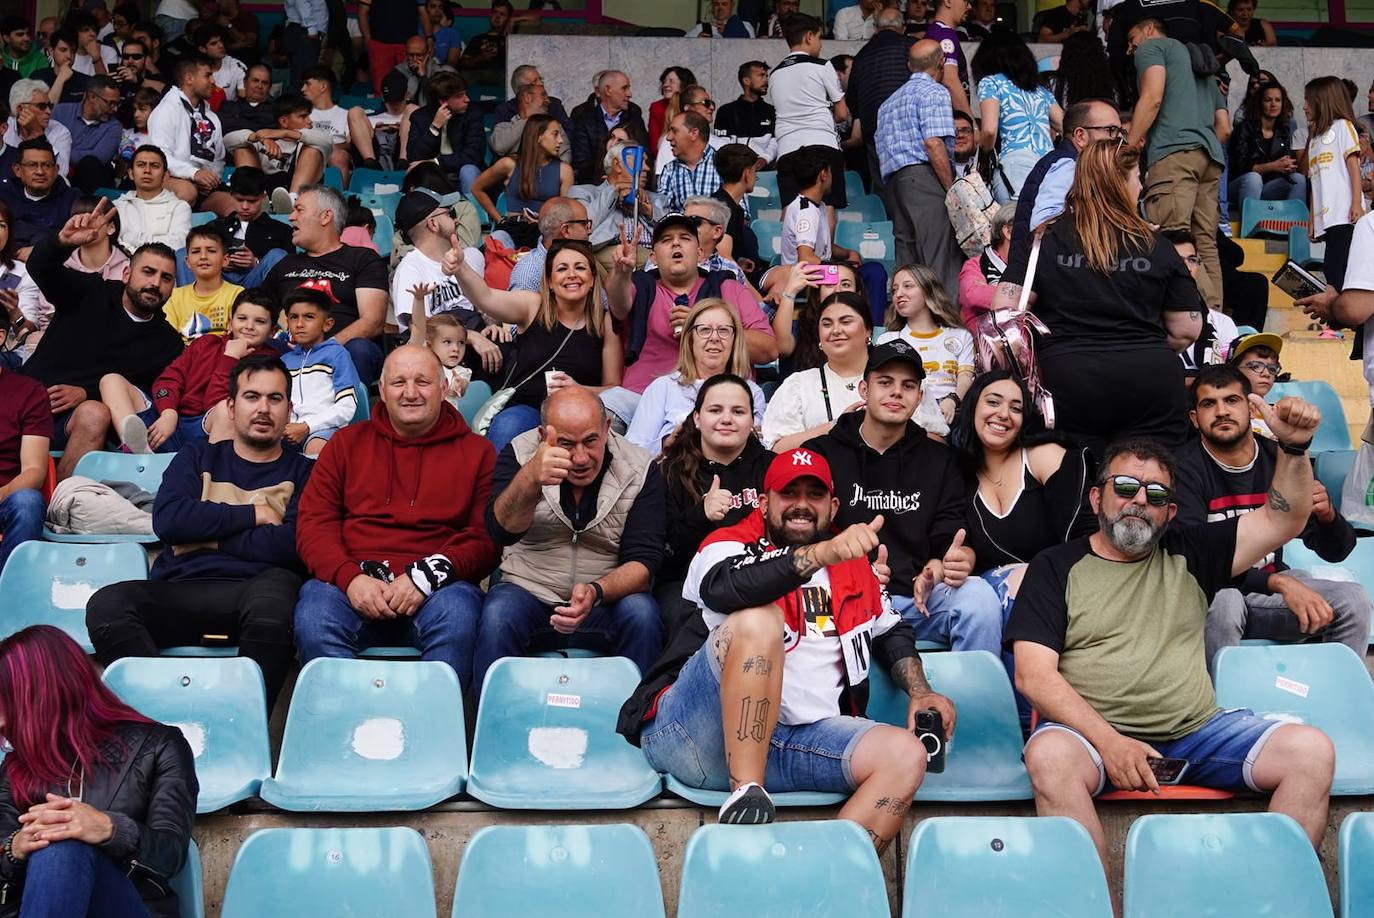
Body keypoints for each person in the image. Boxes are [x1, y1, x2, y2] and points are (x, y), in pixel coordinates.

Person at [1009, 417, 1336, 870]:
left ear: (1171, 511)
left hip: (1196, 733)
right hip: (1089, 737)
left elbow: (1284, 517)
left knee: (1311, 753)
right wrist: (1110, 742)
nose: (1139, 501)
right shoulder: (1055, 566)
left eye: (1156, 494)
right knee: (1046, 755)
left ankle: (1260, 897)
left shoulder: (1192, 550)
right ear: (1096, 497)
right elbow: (1033, 674)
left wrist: (1294, 450)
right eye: (1124, 487)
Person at [620, 445, 955, 838]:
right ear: (763, 503)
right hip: (697, 735)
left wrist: (920, 690)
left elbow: (890, 630)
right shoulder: (727, 543)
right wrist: (819, 554)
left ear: (833, 506)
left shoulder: (853, 567)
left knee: (907, 756)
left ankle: (824, 882)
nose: (801, 505)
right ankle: (747, 791)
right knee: (760, 620)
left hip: (796, 742)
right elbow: (725, 588)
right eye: (788, 493)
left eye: (814, 495)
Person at [88, 354, 312, 708]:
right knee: (108, 605)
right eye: (252, 397)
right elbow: (170, 521)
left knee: (277, 600)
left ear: (290, 409)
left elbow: (292, 544)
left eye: (275, 398)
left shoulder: (305, 472)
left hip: (258, 595)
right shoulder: (197, 456)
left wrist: (205, 537)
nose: (263, 409)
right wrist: (255, 514)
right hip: (180, 590)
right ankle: (161, 714)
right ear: (231, 406)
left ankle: (240, 727)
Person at [295, 344, 498, 693]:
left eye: (423, 381)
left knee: (461, 615)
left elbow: (485, 537)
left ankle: (430, 730)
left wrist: (424, 579)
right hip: (351, 586)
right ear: (383, 390)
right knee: (314, 613)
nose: (410, 393)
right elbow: (314, 525)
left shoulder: (478, 452)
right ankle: (342, 727)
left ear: (444, 387)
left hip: (438, 593)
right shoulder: (345, 444)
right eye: (398, 382)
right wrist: (350, 578)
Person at [995, 141, 1200, 455]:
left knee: (1073, 482)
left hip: (1068, 382)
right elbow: (1187, 328)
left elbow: (1004, 311)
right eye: (1137, 178)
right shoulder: (1157, 245)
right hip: (1150, 382)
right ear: (1118, 184)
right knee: (1147, 483)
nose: (1141, 187)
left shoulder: (1045, 239)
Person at [1173, 365, 1370, 676]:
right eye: (1209, 404)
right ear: (1195, 419)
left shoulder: (1280, 458)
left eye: (1232, 400)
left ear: (1252, 408)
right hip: (1210, 597)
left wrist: (1327, 515)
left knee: (1353, 599)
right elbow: (1192, 561)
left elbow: (1337, 551)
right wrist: (1277, 581)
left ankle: (1335, 696)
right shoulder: (1182, 469)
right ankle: (1217, 712)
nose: (1222, 411)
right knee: (1224, 601)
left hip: (1269, 597)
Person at [807, 338, 1002, 650]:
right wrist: (851, 574)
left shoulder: (939, 460)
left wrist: (938, 569)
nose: (896, 392)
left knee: (978, 598)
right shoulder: (822, 454)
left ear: (919, 397)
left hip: (915, 599)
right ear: (863, 390)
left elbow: (950, 535)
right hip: (839, 597)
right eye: (885, 382)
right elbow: (799, 539)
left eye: (908, 385)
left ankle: (969, 698)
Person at [0, 625, 197, 916]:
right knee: (57, 838)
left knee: (62, 843)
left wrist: (109, 829)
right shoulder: (15, 767)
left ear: (40, 695)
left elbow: (170, 854)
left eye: (4, 702)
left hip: (126, 905)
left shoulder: (160, 746)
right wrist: (15, 847)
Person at [476, 385, 665, 683]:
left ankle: (637, 722)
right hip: (529, 591)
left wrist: (595, 592)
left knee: (642, 614)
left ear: (606, 428)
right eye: (565, 443)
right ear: (543, 435)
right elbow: (500, 531)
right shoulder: (519, 452)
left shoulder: (640, 468)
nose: (580, 457)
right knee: (499, 613)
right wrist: (529, 478)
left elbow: (643, 564)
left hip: (604, 599)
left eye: (591, 441)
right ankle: (494, 722)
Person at [954, 370, 1094, 704]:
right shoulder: (957, 473)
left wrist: (1041, 571)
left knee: (1025, 592)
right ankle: (988, 713)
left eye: (1016, 407)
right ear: (972, 407)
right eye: (993, 402)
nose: (1004, 413)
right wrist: (964, 558)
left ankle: (1020, 718)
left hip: (1058, 583)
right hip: (991, 590)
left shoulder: (1041, 456)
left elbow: (1087, 532)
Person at [21, 200, 182, 480]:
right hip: (30, 401)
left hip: (80, 424)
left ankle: (62, 507)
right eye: (148, 272)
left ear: (172, 287)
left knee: (95, 412)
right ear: (127, 273)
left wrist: (86, 393)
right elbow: (40, 267)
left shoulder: (168, 343)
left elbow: (139, 398)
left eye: (166, 277)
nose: (155, 283)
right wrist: (62, 241)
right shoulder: (90, 290)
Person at [443, 237, 623, 453]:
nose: (572, 275)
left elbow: (613, 388)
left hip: (577, 414)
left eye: (580, 268)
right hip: (528, 409)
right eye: (562, 269)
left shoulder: (604, 322)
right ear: (549, 281)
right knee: (508, 426)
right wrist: (460, 267)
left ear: (592, 279)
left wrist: (579, 389)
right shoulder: (533, 305)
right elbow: (485, 297)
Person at [605, 214, 777, 418]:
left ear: (700, 253)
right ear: (653, 257)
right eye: (666, 240)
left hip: (717, 400)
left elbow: (768, 350)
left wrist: (700, 325)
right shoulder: (640, 286)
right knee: (603, 407)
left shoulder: (728, 287)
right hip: (643, 399)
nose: (676, 242)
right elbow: (618, 304)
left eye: (685, 238)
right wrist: (622, 273)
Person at [655, 373, 773, 632]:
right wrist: (701, 515)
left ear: (753, 419)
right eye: (715, 410)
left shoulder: (773, 468)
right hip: (686, 583)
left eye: (739, 411)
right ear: (697, 418)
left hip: (761, 577)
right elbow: (661, 556)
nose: (727, 419)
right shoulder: (669, 472)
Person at [1123, 18, 1226, 312]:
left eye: (1133, 39)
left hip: (1173, 155)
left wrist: (1128, 147)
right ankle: (1215, 323)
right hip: (1209, 156)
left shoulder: (1154, 47)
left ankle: (1188, 317)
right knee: (1206, 242)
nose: (1131, 49)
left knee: (1171, 237)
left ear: (1150, 30)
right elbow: (1224, 126)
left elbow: (1152, 97)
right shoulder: (1200, 61)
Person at [108, 287, 281, 454]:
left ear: (272, 331)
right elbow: (168, 380)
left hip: (207, 433)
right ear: (230, 322)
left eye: (259, 321)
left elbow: (214, 404)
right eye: (242, 318)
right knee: (111, 380)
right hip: (167, 423)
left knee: (224, 411)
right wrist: (169, 413)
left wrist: (230, 358)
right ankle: (137, 453)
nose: (249, 326)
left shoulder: (267, 364)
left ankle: (209, 474)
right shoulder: (206, 343)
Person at [266, 184, 389, 385]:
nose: (291, 217)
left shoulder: (363, 259)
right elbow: (260, 311)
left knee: (359, 348)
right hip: (293, 349)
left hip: (346, 350)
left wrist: (323, 350)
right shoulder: (285, 264)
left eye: (299, 209)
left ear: (325, 217)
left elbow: (372, 321)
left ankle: (353, 414)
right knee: (258, 347)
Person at [876, 39, 963, 296]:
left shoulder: (888, 103)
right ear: (941, 62)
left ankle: (905, 326)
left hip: (894, 184)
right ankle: (945, 324)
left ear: (909, 65)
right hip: (924, 178)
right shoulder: (934, 92)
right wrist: (951, 188)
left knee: (907, 260)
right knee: (939, 256)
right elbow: (934, 144)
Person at [628, 298, 767, 458]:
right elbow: (631, 451)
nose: (714, 338)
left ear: (735, 340)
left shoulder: (751, 392)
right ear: (690, 338)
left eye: (723, 330)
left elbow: (758, 449)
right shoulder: (663, 387)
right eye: (705, 330)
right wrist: (667, 444)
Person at [1009, 98, 1122, 262]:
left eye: (1120, 132)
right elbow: (1044, 229)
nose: (1118, 139)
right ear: (1080, 136)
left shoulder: (1067, 164)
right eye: (1110, 130)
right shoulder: (1068, 166)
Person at [763, 291, 872, 451]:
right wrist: (836, 426)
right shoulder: (799, 384)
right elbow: (777, 450)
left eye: (846, 322)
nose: (835, 330)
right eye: (827, 324)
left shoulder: (891, 382)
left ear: (868, 330)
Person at [877, 263, 974, 431]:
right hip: (906, 412)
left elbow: (966, 376)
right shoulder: (888, 340)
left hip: (952, 411)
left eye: (908, 286)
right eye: (894, 290)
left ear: (928, 290)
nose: (899, 294)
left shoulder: (960, 336)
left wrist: (953, 400)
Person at [972, 32, 1064, 202]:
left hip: (1015, 165)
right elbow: (1066, 126)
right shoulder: (1040, 89)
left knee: (1013, 224)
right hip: (1050, 166)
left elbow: (990, 131)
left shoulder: (990, 83)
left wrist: (983, 160)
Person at [771, 14, 849, 215]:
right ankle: (825, 248)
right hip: (821, 143)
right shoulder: (822, 65)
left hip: (787, 148)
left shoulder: (774, 73)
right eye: (819, 37)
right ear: (808, 37)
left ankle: (788, 248)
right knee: (826, 205)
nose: (820, 44)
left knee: (790, 209)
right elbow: (842, 113)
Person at [390, 190, 490, 345]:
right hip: (439, 351)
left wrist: (493, 327)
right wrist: (471, 337)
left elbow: (485, 307)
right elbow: (420, 329)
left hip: (474, 338)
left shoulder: (469, 257)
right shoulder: (410, 269)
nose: (456, 220)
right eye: (450, 213)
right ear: (433, 224)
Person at [279, 284, 361, 456]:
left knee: (316, 448)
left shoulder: (337, 354)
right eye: (294, 317)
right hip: (288, 430)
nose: (299, 324)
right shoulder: (284, 361)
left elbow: (346, 406)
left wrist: (307, 426)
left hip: (326, 430)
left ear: (327, 324)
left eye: (309, 317)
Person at [1305, 75, 1364, 294]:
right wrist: (1312, 218)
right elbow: (1314, 181)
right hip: (1326, 220)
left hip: (1345, 214)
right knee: (1332, 268)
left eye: (1308, 101)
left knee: (1338, 271)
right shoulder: (1314, 138)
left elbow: (1353, 167)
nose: (1304, 107)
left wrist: (1356, 203)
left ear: (1323, 101)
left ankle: (1341, 321)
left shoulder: (1343, 127)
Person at [147, 53, 228, 211]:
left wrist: (211, 180)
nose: (213, 81)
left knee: (233, 205)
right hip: (167, 179)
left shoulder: (211, 116)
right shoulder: (166, 110)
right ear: (189, 78)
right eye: (208, 75)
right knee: (187, 192)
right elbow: (159, 158)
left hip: (201, 185)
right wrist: (194, 173)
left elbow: (218, 159)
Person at [0, 310, 49, 572]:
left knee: (28, 502)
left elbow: (34, 471)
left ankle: (9, 595)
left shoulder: (28, 392)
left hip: (4, 499)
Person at [189, 166, 293, 289]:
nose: (244, 206)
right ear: (231, 195)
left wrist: (256, 262)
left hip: (257, 285)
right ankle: (189, 303)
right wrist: (218, 262)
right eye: (239, 200)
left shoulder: (281, 230)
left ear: (263, 197)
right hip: (219, 282)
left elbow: (290, 267)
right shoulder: (215, 227)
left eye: (251, 201)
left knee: (277, 255)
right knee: (185, 254)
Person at [470, 114, 573, 230]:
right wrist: (500, 220)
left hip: (546, 231)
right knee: (498, 240)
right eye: (555, 134)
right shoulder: (509, 164)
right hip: (513, 228)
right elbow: (476, 188)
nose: (561, 140)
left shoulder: (564, 170)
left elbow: (565, 213)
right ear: (538, 137)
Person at [224, 94, 332, 199]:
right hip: (264, 192)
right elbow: (228, 140)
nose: (309, 121)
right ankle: (253, 198)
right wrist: (258, 137)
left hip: (301, 197)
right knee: (243, 147)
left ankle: (293, 200)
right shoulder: (265, 141)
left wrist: (284, 133)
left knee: (312, 149)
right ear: (284, 121)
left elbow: (327, 141)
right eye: (303, 116)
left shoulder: (312, 141)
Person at [1227, 80, 1304, 214]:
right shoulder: (1244, 128)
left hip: (1268, 187)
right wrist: (1272, 166)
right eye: (1268, 100)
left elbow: (1285, 164)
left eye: (1277, 100)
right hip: (1242, 186)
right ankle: (1250, 227)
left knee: (1298, 179)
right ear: (1260, 103)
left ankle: (1293, 226)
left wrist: (1287, 166)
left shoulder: (1284, 131)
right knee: (1253, 178)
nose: (1273, 104)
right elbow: (1239, 167)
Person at [405, 71, 485, 195]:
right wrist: (434, 127)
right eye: (460, 96)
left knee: (468, 170)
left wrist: (436, 162)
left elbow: (474, 155)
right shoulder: (420, 117)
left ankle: (474, 212)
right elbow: (414, 156)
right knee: (422, 173)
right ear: (443, 101)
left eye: (466, 94)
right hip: (434, 175)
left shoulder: (473, 114)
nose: (467, 99)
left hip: (461, 171)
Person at [161, 224, 244, 340]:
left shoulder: (237, 295)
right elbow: (168, 339)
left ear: (225, 260)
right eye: (196, 252)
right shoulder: (175, 297)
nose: (203, 256)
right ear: (187, 262)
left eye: (211, 251)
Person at [0, 139, 79, 258]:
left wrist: (41, 251)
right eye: (32, 165)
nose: (40, 172)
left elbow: (80, 242)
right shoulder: (4, 196)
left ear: (56, 170)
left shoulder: (73, 199)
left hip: (54, 266)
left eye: (47, 165)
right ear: (17, 170)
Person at [112, 145, 193, 255]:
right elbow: (110, 243)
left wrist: (131, 239)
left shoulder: (179, 207)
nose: (147, 171)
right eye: (141, 165)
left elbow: (178, 244)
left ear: (165, 175)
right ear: (131, 173)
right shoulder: (116, 207)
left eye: (154, 166)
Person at [570, 71, 645, 186]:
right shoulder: (584, 118)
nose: (629, 94)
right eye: (624, 88)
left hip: (629, 184)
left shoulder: (634, 115)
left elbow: (644, 153)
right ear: (608, 90)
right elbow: (581, 162)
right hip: (593, 187)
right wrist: (608, 182)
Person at [52, 76, 123, 195]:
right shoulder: (60, 112)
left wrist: (62, 151)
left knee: (90, 164)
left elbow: (99, 157)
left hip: (89, 181)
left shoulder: (114, 126)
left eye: (117, 104)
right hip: (55, 173)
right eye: (110, 103)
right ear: (92, 96)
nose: (115, 109)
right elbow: (47, 145)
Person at [508, 196, 594, 294]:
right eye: (585, 224)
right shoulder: (529, 275)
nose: (589, 230)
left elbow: (603, 304)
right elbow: (521, 308)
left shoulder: (585, 260)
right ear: (566, 230)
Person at [489, 67, 573, 162]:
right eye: (534, 82)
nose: (541, 83)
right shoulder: (505, 114)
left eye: (540, 79)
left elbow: (565, 152)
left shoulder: (554, 108)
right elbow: (499, 147)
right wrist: (527, 120)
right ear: (526, 96)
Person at [958, 201, 1016, 331]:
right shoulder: (976, 265)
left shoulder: (1035, 265)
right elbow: (973, 296)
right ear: (1008, 232)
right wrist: (1025, 297)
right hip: (987, 345)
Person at [710, 144, 761, 273]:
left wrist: (738, 262)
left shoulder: (727, 204)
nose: (755, 178)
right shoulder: (724, 207)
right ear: (747, 174)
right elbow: (723, 258)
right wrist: (754, 294)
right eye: (755, 172)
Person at [658, 112, 722, 215]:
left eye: (674, 131)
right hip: (682, 229)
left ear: (694, 133)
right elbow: (662, 213)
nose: (668, 137)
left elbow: (741, 214)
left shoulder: (723, 164)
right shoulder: (669, 170)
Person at [715, 62, 777, 168]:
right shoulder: (725, 111)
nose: (766, 80)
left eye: (767, 76)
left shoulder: (772, 111)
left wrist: (765, 158)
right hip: (734, 172)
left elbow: (776, 140)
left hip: (767, 172)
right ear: (746, 81)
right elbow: (721, 143)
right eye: (761, 76)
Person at [358, 0, 422, 94]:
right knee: (380, 87)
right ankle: (382, 108)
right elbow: (362, 12)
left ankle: (411, 108)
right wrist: (367, 37)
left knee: (410, 86)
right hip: (380, 43)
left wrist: (429, 37)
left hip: (407, 44)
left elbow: (422, 11)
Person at [923, 0, 972, 117]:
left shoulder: (935, 31)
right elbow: (950, 81)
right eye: (965, 1)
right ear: (948, 1)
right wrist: (972, 125)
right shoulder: (945, 33)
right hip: (949, 118)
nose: (969, 7)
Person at [388, 35, 446, 109]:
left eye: (419, 55)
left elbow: (437, 102)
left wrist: (423, 76)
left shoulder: (438, 71)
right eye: (411, 55)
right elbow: (394, 103)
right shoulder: (398, 72)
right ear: (406, 53)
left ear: (428, 53)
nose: (415, 59)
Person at [218, 62, 276, 136]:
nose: (259, 86)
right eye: (255, 80)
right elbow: (224, 127)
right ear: (245, 83)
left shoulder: (276, 110)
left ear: (269, 87)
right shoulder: (228, 107)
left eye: (264, 83)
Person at [282, 0, 328, 90]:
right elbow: (301, 3)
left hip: (305, 32)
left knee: (304, 76)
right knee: (303, 78)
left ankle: (299, 102)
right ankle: (299, 103)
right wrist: (311, 28)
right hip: (305, 32)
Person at [648, 67, 696, 152]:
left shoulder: (694, 106)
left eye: (671, 81)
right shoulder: (656, 107)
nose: (665, 85)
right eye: (664, 82)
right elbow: (654, 143)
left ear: (683, 84)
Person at [196, 23, 246, 102]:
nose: (221, 46)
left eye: (221, 41)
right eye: (213, 43)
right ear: (202, 49)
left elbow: (245, 99)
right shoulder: (194, 69)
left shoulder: (237, 66)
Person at [688, 0, 757, 37]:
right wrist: (696, 42)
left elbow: (748, 49)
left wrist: (730, 31)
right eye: (716, 4)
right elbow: (683, 48)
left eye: (724, 4)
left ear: (732, 5)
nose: (720, 8)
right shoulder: (700, 29)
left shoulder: (746, 26)